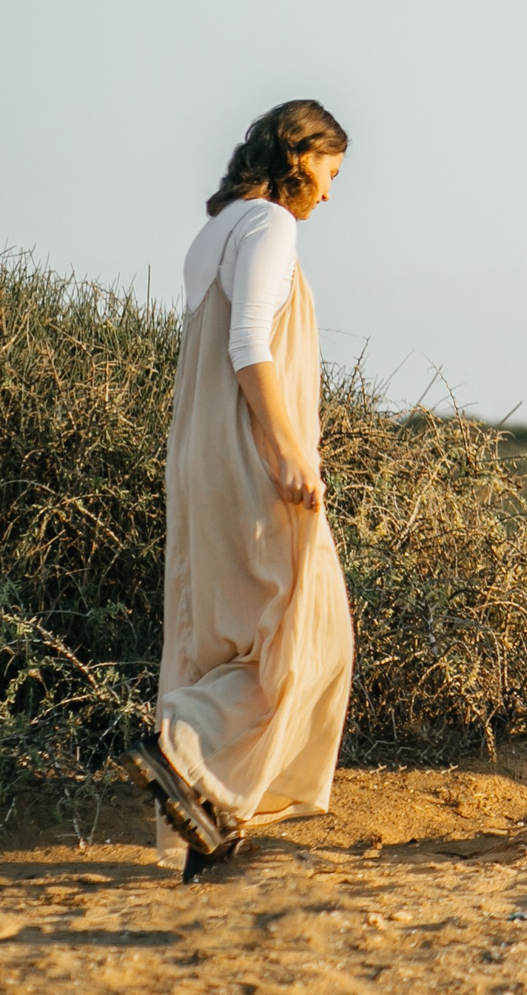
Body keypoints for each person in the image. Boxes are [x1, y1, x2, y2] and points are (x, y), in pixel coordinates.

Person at [124, 100, 357, 880]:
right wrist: (290, 453)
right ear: (301, 155)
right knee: (304, 635)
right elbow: (251, 342)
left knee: (237, 635)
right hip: (247, 451)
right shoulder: (268, 226)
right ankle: (183, 740)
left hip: (201, 450)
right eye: (330, 170)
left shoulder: (216, 229)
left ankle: (210, 826)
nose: (329, 193)